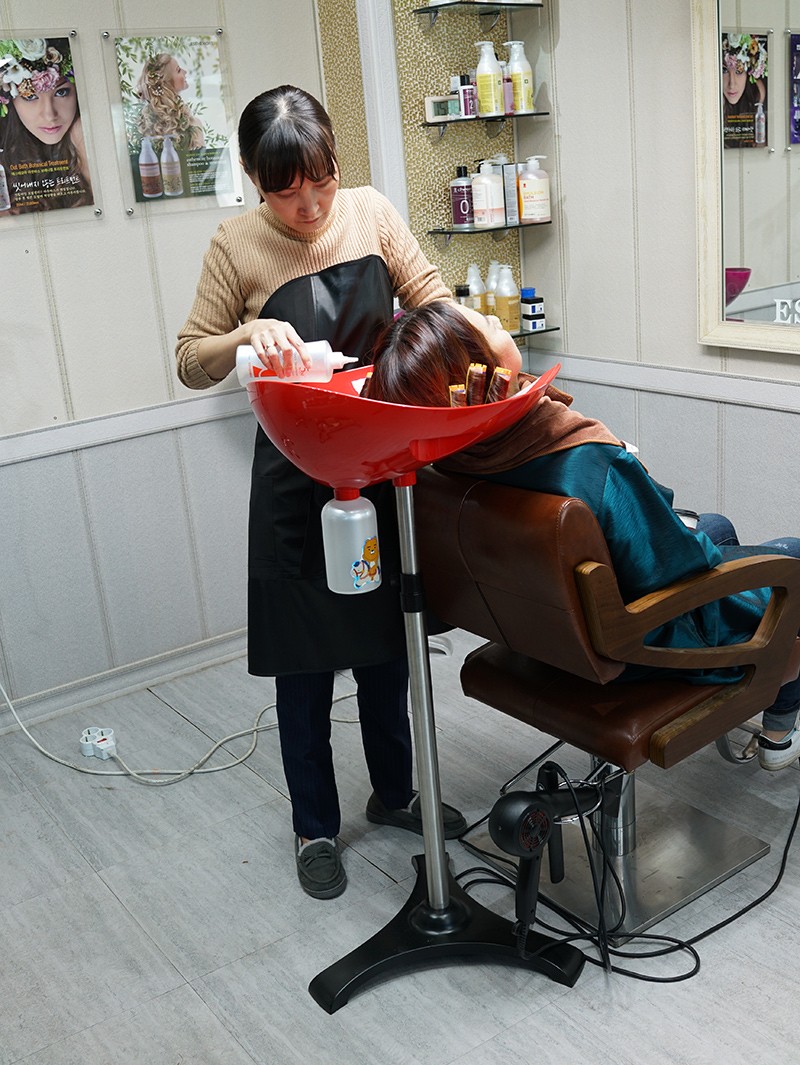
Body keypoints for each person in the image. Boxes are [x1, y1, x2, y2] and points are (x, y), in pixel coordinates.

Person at [176, 85, 466, 900]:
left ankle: (395, 792)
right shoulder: (236, 246)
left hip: (379, 469)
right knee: (302, 671)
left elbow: (435, 299)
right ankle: (314, 827)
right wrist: (244, 333)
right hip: (292, 488)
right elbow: (190, 359)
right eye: (286, 192)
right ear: (253, 178)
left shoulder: (370, 212)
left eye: (322, 181)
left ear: (337, 160)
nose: (309, 207)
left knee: (385, 653)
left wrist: (469, 344)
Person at [365, 301, 800, 772]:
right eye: (489, 325)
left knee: (716, 525)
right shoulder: (588, 460)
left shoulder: (446, 464)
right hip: (637, 646)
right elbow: (677, 567)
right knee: (790, 559)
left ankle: (775, 711)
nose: (497, 321)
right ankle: (779, 724)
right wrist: (674, 525)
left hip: (542, 631)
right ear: (479, 370)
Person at [0, 37, 92, 212]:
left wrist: (83, 145)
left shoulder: (89, 138)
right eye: (30, 96)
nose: (50, 115)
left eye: (61, 92)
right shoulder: (4, 164)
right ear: (10, 100)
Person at [136, 52, 205, 150]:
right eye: (178, 70)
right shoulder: (193, 125)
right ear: (166, 82)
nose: (185, 72)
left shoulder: (145, 125)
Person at [721, 32, 767, 148]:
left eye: (739, 71)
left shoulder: (756, 92)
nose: (732, 84)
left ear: (748, 72)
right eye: (724, 71)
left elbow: (761, 148)